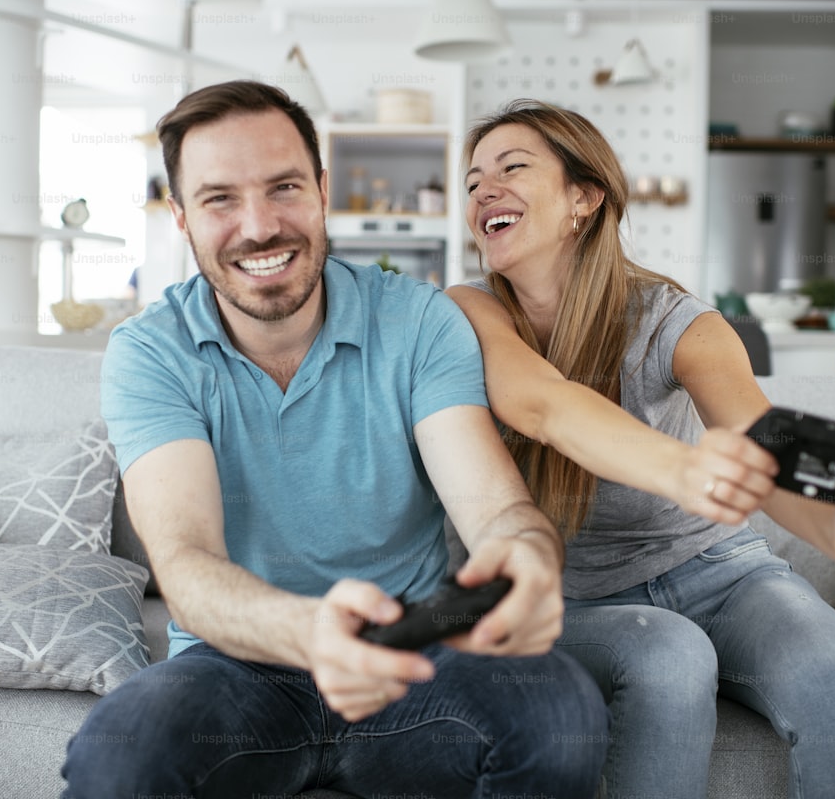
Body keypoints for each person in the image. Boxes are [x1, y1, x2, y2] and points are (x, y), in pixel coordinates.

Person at [60, 82, 608, 799]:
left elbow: (496, 508)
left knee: (559, 713)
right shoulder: (150, 351)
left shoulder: (418, 321)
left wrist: (527, 553)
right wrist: (307, 631)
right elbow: (187, 564)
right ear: (182, 218)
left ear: (322, 190)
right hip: (238, 666)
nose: (259, 227)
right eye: (220, 198)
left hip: (412, 656)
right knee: (117, 755)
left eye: (283, 187)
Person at [449, 99, 835, 799]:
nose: (483, 191)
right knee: (668, 659)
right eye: (472, 182)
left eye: (512, 168)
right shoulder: (468, 311)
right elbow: (544, 403)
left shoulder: (676, 320)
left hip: (720, 570)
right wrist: (691, 471)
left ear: (583, 198)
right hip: (577, 598)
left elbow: (763, 442)